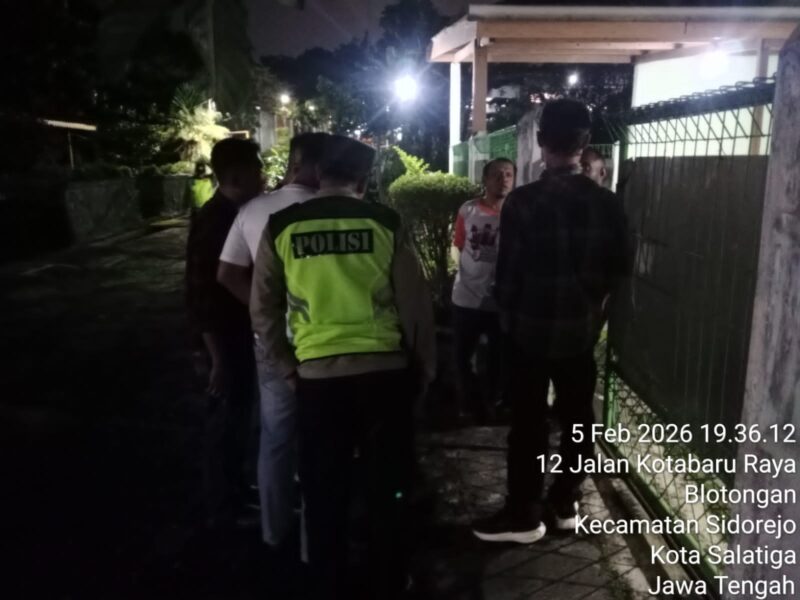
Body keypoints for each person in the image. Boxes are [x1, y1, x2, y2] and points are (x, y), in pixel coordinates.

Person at [250, 134, 436, 599]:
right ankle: (389, 579)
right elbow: (415, 306)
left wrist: (286, 368)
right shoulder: (385, 222)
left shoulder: (282, 226)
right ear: (364, 178)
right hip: (383, 378)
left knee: (323, 489)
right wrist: (425, 369)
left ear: (317, 174)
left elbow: (262, 309)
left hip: (317, 381)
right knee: (387, 487)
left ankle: (328, 581)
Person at [472, 99, 629, 544]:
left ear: (540, 140)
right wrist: (594, 313)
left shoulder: (522, 202)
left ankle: (524, 513)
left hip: (527, 331)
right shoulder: (608, 204)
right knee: (578, 420)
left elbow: (508, 275)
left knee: (528, 424)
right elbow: (619, 271)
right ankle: (565, 502)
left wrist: (507, 317)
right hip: (581, 332)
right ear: (585, 142)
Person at [217, 132, 328, 548]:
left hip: (271, 340)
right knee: (319, 442)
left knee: (276, 438)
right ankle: (313, 540)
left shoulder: (253, 210)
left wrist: (264, 310)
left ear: (293, 163)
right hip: (324, 340)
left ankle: (273, 531)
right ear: (317, 166)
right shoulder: (333, 210)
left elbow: (227, 274)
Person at [185, 137, 264, 528]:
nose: (263, 176)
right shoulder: (216, 220)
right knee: (224, 422)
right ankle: (223, 507)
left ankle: (236, 491)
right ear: (236, 175)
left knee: (237, 418)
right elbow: (201, 294)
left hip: (235, 335)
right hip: (223, 340)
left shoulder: (233, 213)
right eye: (257, 168)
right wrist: (215, 357)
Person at [451, 158, 515, 423]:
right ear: (485, 179)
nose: (504, 180)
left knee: (498, 359)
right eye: (497, 174)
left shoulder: (518, 213)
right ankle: (468, 405)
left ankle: (493, 404)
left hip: (501, 301)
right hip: (466, 298)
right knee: (462, 357)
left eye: (509, 174)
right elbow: (458, 244)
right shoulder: (468, 210)